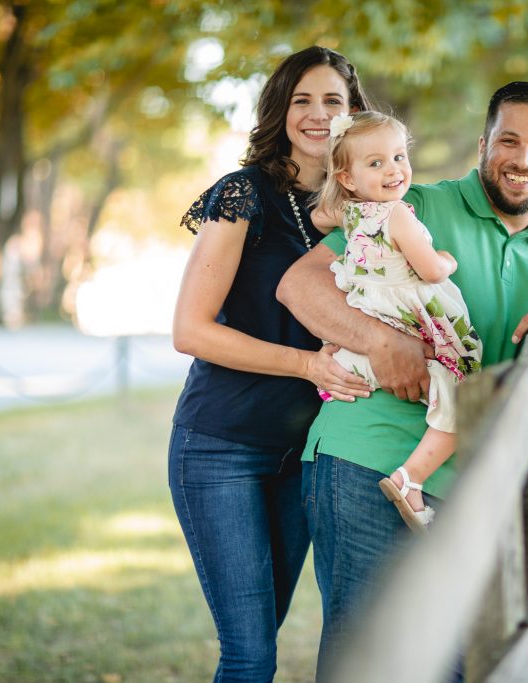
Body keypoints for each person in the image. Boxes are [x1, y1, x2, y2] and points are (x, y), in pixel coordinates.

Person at [276, 81, 528, 668]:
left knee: (460, 667)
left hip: (479, 492)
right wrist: (385, 343)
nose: (522, 159)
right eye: (508, 141)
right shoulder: (416, 205)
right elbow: (299, 285)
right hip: (366, 462)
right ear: (483, 145)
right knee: (371, 662)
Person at [168, 46, 372, 682]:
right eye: (301, 100)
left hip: (304, 457)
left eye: (332, 101)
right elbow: (189, 330)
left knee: (264, 635)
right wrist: (309, 366)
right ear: (279, 110)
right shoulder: (242, 196)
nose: (316, 115)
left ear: (353, 115)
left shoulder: (367, 211)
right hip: (221, 447)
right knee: (250, 655)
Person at [310, 110, 483, 531]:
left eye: (400, 157)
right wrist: (446, 259)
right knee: (465, 391)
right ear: (348, 176)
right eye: (376, 163)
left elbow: (318, 217)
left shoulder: (351, 213)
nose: (394, 170)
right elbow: (429, 270)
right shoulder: (398, 214)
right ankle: (412, 479)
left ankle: (351, 365)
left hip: (376, 310)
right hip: (410, 313)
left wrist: (345, 195)